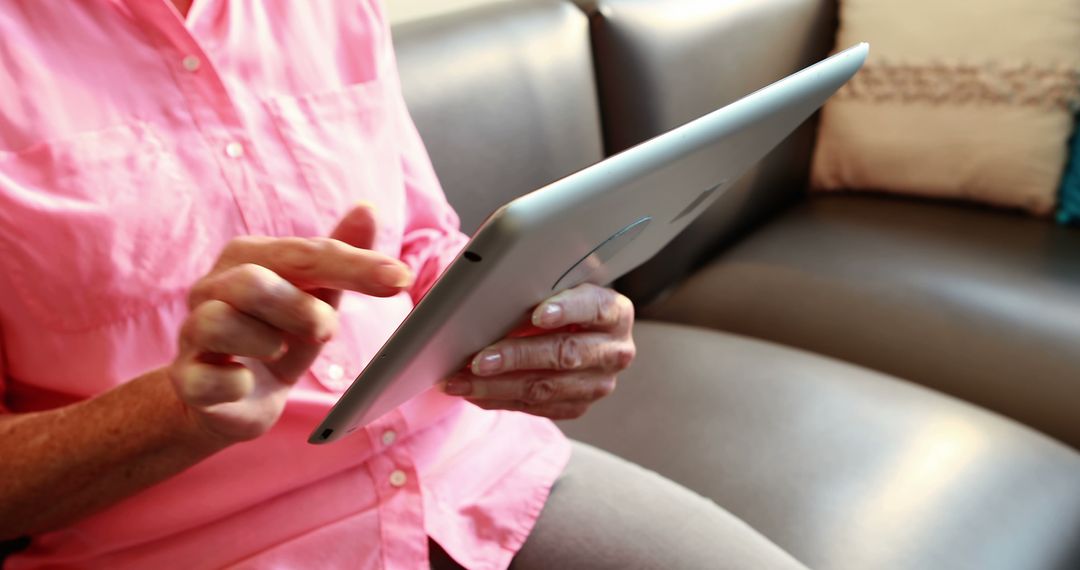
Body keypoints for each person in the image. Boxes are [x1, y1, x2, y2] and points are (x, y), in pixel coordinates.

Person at [0, 1, 808, 568]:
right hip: (197, 548)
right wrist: (177, 415)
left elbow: (421, 242)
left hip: (473, 470)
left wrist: (539, 323)